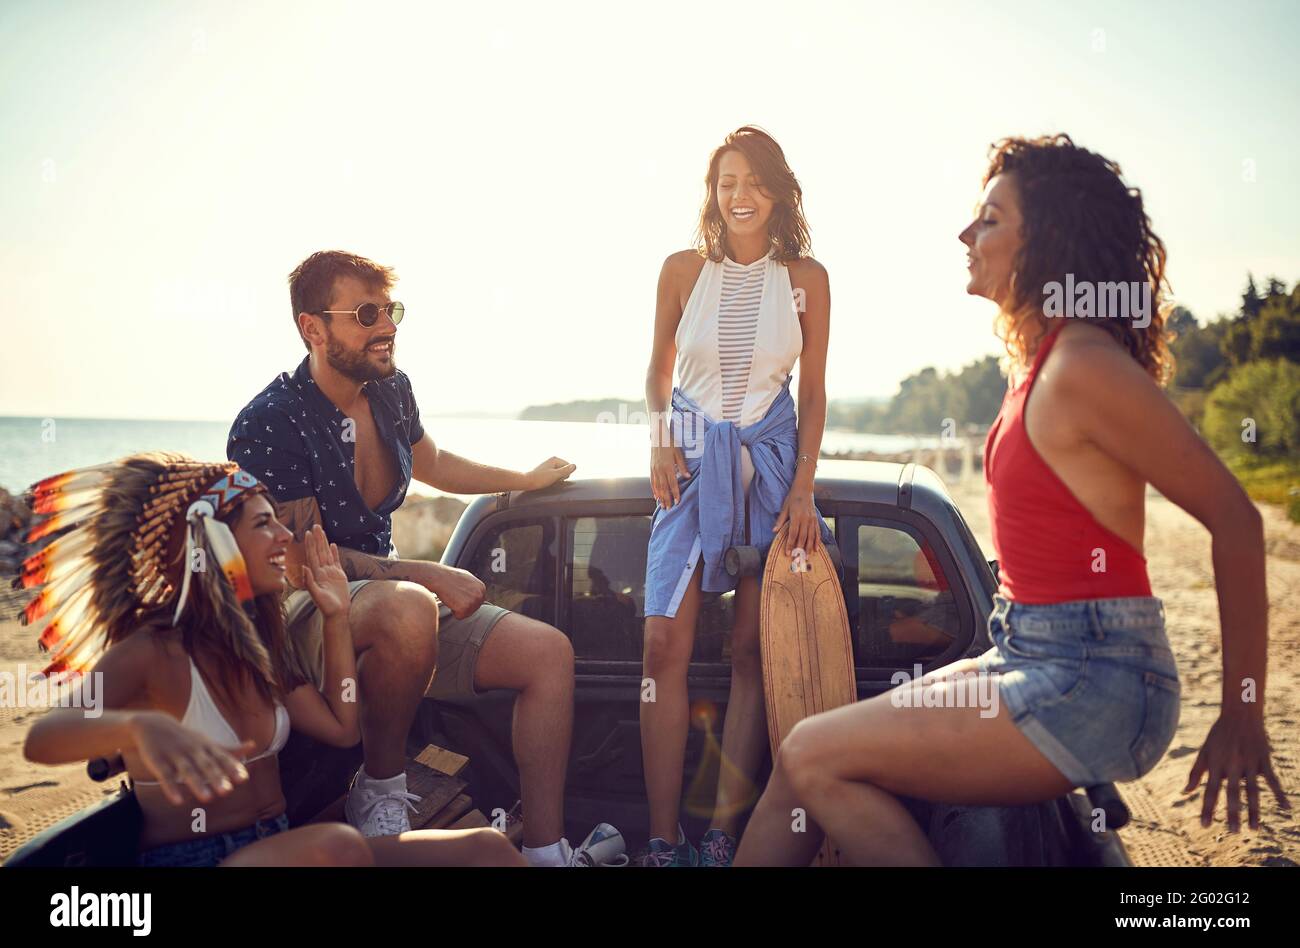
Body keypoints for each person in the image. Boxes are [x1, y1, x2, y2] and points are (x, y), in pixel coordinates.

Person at [734, 133, 1290, 866]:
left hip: (1092, 676)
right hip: (1027, 648)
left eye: (990, 219)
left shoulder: (1084, 365)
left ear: (1047, 242)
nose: (967, 234)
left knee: (811, 755)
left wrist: (1243, 713)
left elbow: (1237, 520)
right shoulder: (1043, 363)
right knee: (803, 756)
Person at [226, 250, 608, 866]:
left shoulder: (390, 391)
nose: (387, 327)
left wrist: (525, 478)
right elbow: (298, 558)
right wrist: (421, 572)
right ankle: (380, 792)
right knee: (409, 608)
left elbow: (431, 462)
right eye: (367, 313)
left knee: (548, 653)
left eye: (391, 310)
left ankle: (543, 851)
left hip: (389, 602)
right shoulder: (271, 420)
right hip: (302, 612)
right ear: (313, 328)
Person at [21, 453, 523, 866]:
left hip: (282, 848)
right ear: (212, 545)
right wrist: (136, 730)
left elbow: (343, 728)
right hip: (201, 859)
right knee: (339, 846)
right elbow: (44, 739)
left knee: (488, 849)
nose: (286, 537)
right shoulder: (152, 652)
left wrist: (334, 616)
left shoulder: (257, 649)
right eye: (265, 524)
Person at [640, 126, 833, 866]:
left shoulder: (806, 279)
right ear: (712, 193)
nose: (738, 195)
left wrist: (805, 486)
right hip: (688, 461)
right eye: (726, 182)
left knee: (754, 649)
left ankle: (722, 834)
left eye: (753, 182)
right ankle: (662, 839)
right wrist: (660, 436)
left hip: (773, 461)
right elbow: (658, 372)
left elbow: (812, 393)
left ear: (778, 192)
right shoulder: (681, 270)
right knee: (662, 644)